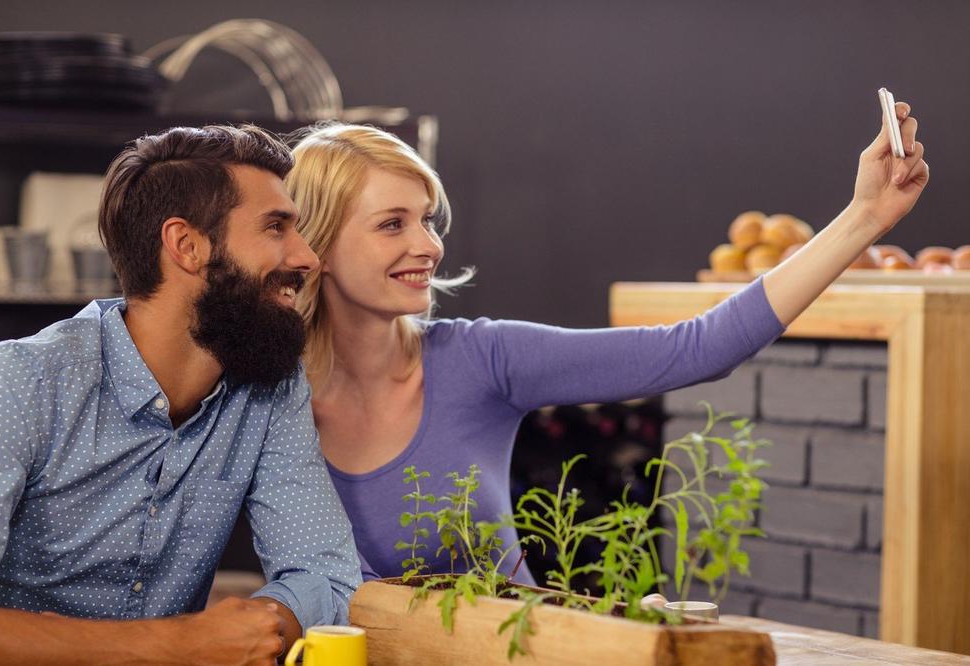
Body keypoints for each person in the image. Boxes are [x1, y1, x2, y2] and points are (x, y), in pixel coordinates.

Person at [284, 101, 927, 586]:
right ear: (315, 247)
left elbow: (698, 348)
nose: (428, 245)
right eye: (392, 224)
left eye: (426, 219)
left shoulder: (482, 360)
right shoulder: (266, 408)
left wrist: (866, 216)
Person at [0, 125, 361, 665]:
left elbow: (325, 575)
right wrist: (179, 645)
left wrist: (255, 626)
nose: (308, 258)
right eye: (276, 227)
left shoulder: (271, 387)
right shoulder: (21, 380)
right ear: (187, 245)